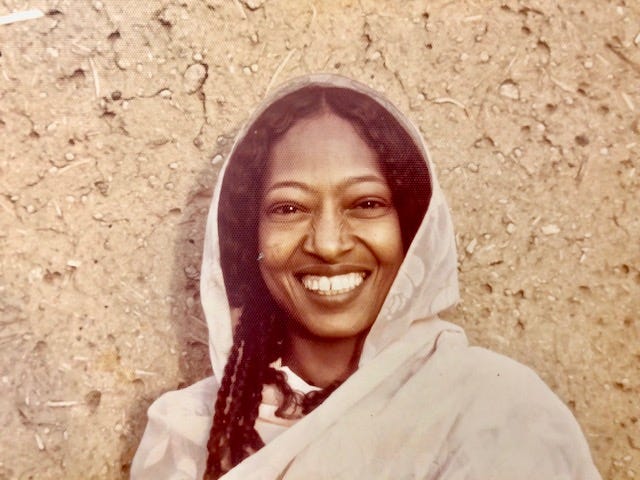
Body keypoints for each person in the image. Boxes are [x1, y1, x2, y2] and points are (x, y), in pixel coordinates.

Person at [130, 74, 602, 479]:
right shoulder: (191, 430)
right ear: (248, 236)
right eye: (290, 208)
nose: (329, 244)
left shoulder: (495, 415)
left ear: (410, 228)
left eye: (366, 204)